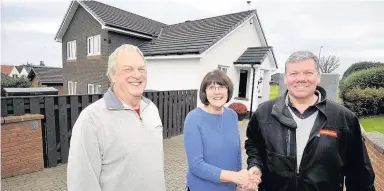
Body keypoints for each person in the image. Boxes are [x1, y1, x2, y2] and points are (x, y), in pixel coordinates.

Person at [244, 50, 376, 191]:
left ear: (318, 77)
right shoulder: (264, 112)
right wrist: (255, 165)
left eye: (308, 73)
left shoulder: (344, 118)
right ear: (285, 78)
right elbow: (254, 145)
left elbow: (360, 174)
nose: (301, 79)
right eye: (294, 73)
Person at [67, 44, 166, 191]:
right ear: (112, 75)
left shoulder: (151, 109)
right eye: (128, 69)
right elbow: (81, 184)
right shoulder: (91, 120)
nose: (137, 75)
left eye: (141, 69)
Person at [184, 69, 258, 191]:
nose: (217, 92)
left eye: (221, 86)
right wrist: (235, 177)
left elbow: (236, 155)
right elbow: (196, 165)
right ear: (204, 92)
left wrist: (238, 184)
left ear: (228, 90)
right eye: (211, 87)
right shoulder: (193, 119)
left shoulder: (232, 115)